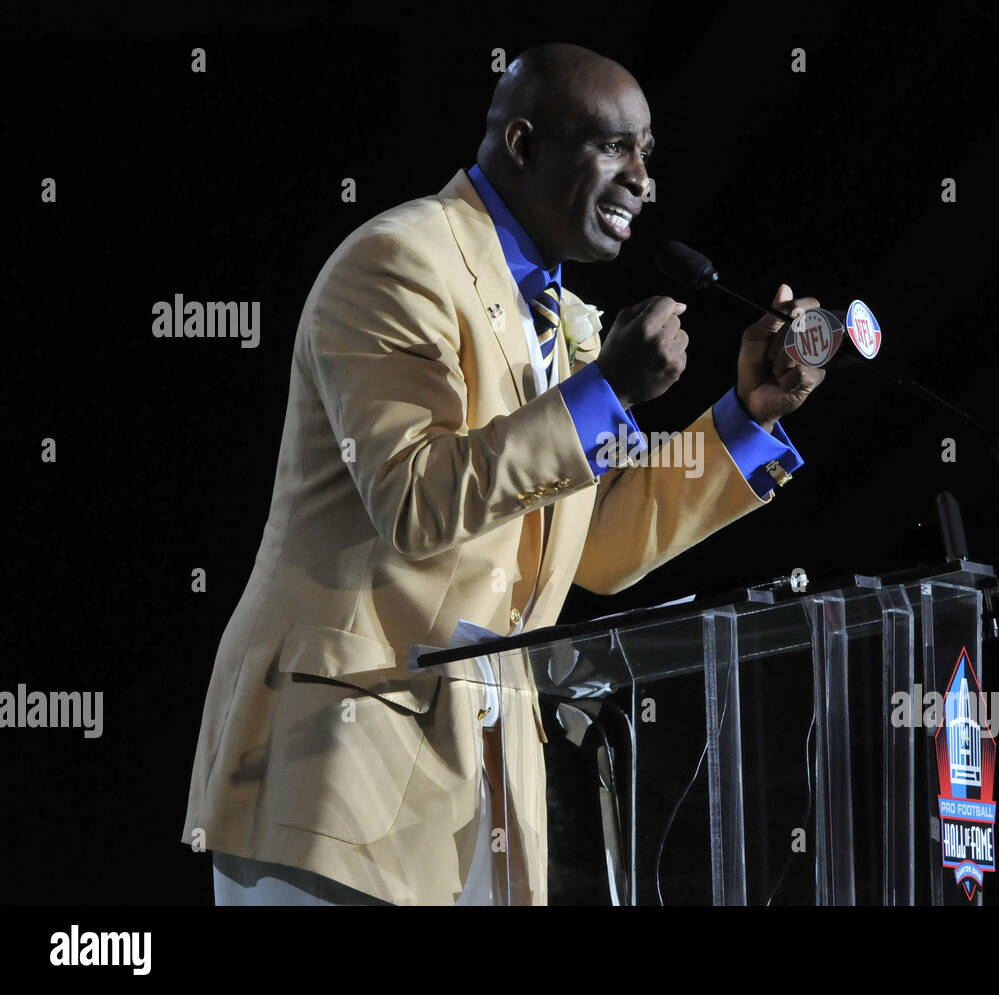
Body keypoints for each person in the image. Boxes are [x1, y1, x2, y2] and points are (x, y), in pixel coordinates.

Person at [182, 42, 826, 905]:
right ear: (523, 144)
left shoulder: (560, 316)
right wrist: (607, 392)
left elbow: (589, 546)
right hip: (340, 763)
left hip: (483, 785)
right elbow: (413, 496)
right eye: (614, 146)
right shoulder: (398, 262)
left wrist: (743, 419)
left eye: (649, 154)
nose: (645, 179)